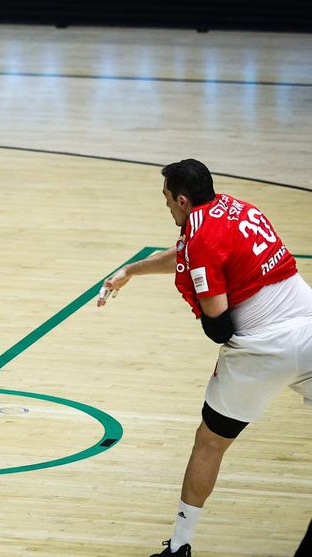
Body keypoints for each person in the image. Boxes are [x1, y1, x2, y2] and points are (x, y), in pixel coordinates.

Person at [96, 159, 312, 556]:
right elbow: (186, 254)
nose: (166, 206)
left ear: (182, 199)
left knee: (210, 442)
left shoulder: (199, 239)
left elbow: (219, 328)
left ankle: (179, 546)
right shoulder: (237, 207)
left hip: (262, 350)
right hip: (310, 326)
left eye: (167, 199)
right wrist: (133, 270)